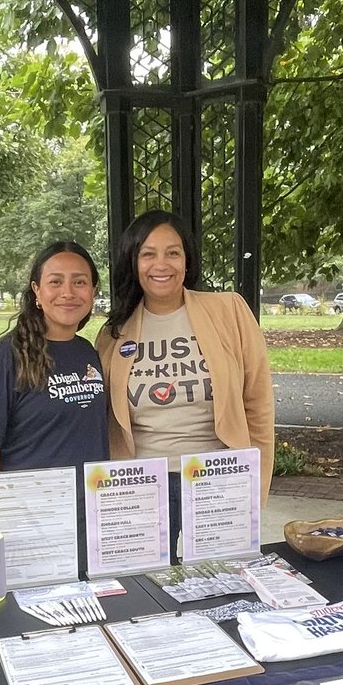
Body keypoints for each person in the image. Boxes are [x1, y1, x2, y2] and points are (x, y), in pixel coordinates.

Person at [96, 210, 274, 553]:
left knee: (220, 578)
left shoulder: (229, 310)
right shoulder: (113, 333)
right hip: (141, 483)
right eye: (148, 254)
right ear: (133, 262)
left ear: (187, 260)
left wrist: (256, 484)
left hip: (217, 479)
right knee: (144, 581)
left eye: (173, 253)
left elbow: (258, 403)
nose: (161, 264)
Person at [0, 240, 107, 549]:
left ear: (93, 290)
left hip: (89, 519)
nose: (68, 292)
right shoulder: (7, 356)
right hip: (30, 521)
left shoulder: (88, 351)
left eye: (79, 282)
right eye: (55, 282)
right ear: (37, 291)